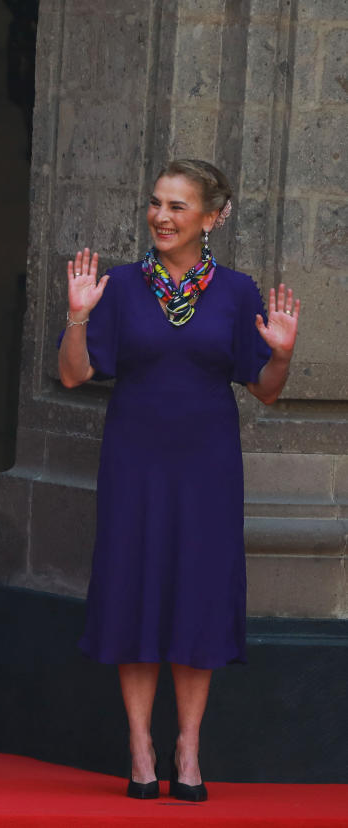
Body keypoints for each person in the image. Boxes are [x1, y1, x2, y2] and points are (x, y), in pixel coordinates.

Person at [58, 159, 299, 802]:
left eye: (178, 207)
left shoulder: (240, 291)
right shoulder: (119, 286)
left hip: (207, 465)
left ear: (211, 218)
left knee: (197, 593)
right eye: (156, 203)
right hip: (135, 460)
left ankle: (189, 748)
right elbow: (76, 375)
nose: (162, 217)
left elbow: (266, 394)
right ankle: (140, 746)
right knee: (136, 589)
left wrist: (280, 355)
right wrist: (79, 315)